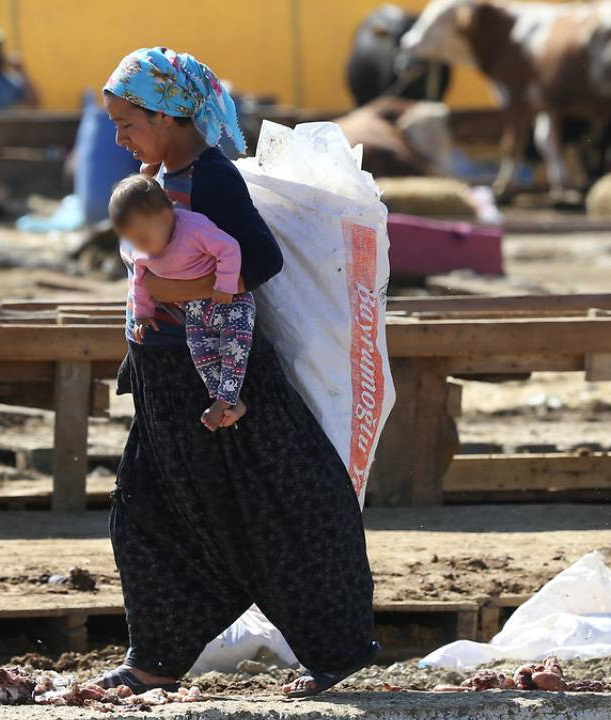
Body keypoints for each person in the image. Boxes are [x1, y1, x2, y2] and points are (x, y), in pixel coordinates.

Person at [95, 47, 378, 698]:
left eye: (127, 122)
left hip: (218, 377)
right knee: (149, 515)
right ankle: (156, 658)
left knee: (280, 506)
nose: (119, 137)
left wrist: (181, 293)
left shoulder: (211, 177)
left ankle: (336, 647)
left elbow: (259, 258)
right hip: (166, 382)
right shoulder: (161, 177)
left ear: (169, 117)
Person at [110, 173, 253, 430]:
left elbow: (229, 248)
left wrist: (225, 285)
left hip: (230, 303)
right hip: (195, 310)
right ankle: (230, 400)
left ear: (165, 218)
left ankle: (223, 403)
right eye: (133, 239)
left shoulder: (194, 229)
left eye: (143, 238)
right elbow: (138, 281)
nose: (140, 246)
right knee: (201, 353)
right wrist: (142, 314)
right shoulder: (142, 250)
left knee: (234, 348)